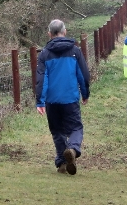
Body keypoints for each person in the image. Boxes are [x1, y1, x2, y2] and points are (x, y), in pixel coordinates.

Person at [35, 19, 90, 175]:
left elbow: (41, 79)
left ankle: (62, 163)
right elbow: (83, 74)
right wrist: (85, 93)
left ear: (49, 34)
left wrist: (40, 100)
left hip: (52, 100)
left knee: (57, 130)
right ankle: (72, 149)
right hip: (70, 98)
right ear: (64, 32)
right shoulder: (75, 51)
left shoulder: (44, 54)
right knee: (76, 127)